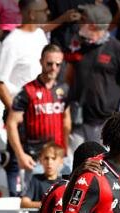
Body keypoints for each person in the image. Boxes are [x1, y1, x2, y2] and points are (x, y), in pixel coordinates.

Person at [64, 4, 120, 149]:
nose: (79, 22)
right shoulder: (77, 44)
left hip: (106, 123)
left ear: (93, 25)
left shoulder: (118, 49)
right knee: (76, 160)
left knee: (102, 162)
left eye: (83, 19)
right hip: (78, 120)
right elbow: (68, 77)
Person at [6, 44, 71, 196]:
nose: (53, 68)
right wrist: (20, 155)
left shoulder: (64, 90)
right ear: (41, 62)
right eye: (49, 63)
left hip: (58, 159)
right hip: (35, 160)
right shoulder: (27, 91)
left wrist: (66, 149)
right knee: (33, 204)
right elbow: (11, 123)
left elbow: (66, 120)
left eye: (58, 64)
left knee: (62, 202)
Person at [0, 0, 49, 111]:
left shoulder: (40, 34)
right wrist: (15, 112)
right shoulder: (11, 42)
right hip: (22, 109)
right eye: (44, 10)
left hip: (40, 108)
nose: (48, 13)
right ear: (32, 14)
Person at [21, 142, 64, 209]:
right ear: (41, 160)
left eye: (53, 158)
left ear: (61, 161)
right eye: (46, 158)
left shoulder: (64, 183)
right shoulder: (35, 179)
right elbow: (24, 203)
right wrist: (47, 204)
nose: (49, 162)